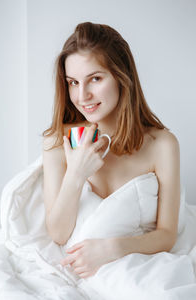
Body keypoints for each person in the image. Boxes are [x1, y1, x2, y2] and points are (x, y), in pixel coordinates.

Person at [42, 21, 180, 279]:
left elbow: (167, 235)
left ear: (121, 76)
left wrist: (112, 248)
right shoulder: (59, 141)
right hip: (73, 273)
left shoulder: (163, 145)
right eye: (73, 82)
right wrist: (76, 173)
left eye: (94, 79)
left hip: (137, 271)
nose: (82, 96)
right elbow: (58, 233)